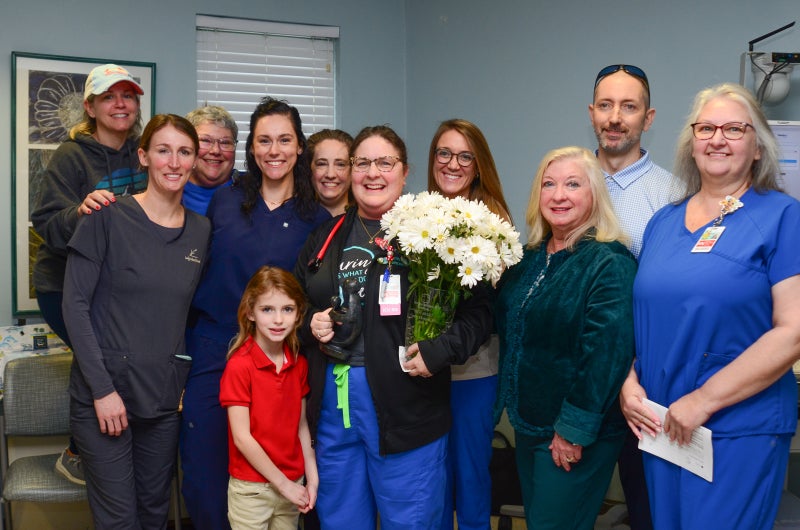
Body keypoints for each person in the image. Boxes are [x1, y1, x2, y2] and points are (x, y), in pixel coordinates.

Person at [620, 83, 800, 529]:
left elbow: (793, 330)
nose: (718, 138)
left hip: (736, 425)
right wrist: (627, 384)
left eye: (734, 129)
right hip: (664, 424)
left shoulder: (782, 217)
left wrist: (703, 400)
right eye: (706, 128)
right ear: (691, 141)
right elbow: (645, 318)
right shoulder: (664, 221)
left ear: (757, 147)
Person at [295, 125, 492, 530]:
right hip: (335, 406)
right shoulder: (324, 237)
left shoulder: (434, 234)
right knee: (341, 520)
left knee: (410, 519)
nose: (372, 173)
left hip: (405, 406)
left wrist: (440, 350)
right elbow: (289, 307)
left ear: (405, 173)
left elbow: (480, 314)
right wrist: (307, 323)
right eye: (362, 163)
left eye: (385, 163)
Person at [180, 97, 330, 530]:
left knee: (277, 470)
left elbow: (316, 296)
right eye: (264, 140)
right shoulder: (225, 202)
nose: (274, 150)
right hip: (215, 349)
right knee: (206, 472)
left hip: (280, 359)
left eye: (285, 139)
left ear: (300, 146)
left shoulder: (315, 217)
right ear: (252, 148)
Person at [63, 114, 210, 529]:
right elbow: (74, 304)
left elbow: (186, 311)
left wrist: (181, 383)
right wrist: (103, 390)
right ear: (144, 156)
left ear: (195, 160)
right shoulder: (106, 215)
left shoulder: (201, 231)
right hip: (105, 396)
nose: (174, 162)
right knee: (120, 521)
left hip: (163, 399)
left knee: (154, 512)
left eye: (185, 152)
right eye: (163, 150)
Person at [495, 146, 636, 530]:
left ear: (594, 194)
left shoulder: (609, 263)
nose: (559, 195)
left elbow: (606, 355)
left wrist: (572, 431)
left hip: (574, 433)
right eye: (549, 184)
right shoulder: (527, 260)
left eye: (573, 184)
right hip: (529, 426)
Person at [31, 63, 147, 486]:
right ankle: (78, 453)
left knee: (118, 359)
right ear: (90, 107)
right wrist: (79, 212)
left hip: (112, 289)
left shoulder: (144, 152)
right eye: (109, 96)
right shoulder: (72, 155)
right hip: (62, 285)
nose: (121, 103)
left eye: (128, 95)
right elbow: (44, 221)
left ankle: (103, 450)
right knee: (100, 361)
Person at [589, 63, 684, 529]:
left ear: (648, 118)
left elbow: (670, 303)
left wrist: (631, 378)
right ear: (591, 113)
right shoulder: (565, 183)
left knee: (648, 509)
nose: (615, 117)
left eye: (629, 107)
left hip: (639, 386)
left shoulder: (674, 196)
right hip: (576, 381)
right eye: (606, 105)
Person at [427, 119, 512, 530]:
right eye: (444, 153)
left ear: (478, 165)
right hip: (425, 373)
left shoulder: (492, 223)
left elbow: (491, 306)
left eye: (464, 156)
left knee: (471, 478)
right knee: (433, 480)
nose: (453, 164)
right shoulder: (418, 213)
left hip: (473, 374)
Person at [220, 266, 318, 529]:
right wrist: (283, 485)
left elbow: (301, 426)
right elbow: (242, 437)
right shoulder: (239, 366)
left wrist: (312, 476)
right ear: (250, 312)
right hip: (252, 489)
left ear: (298, 314)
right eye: (267, 310)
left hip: (293, 483)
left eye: (287, 309)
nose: (278, 319)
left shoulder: (298, 364)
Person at [184, 105, 240, 215]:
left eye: (225, 142)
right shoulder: (170, 189)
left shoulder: (254, 189)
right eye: (205, 140)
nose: (216, 151)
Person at [307, 129, 354, 216]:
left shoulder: (365, 224)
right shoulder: (294, 223)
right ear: (309, 170)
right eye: (321, 164)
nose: (330, 174)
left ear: (352, 171)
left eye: (340, 165)